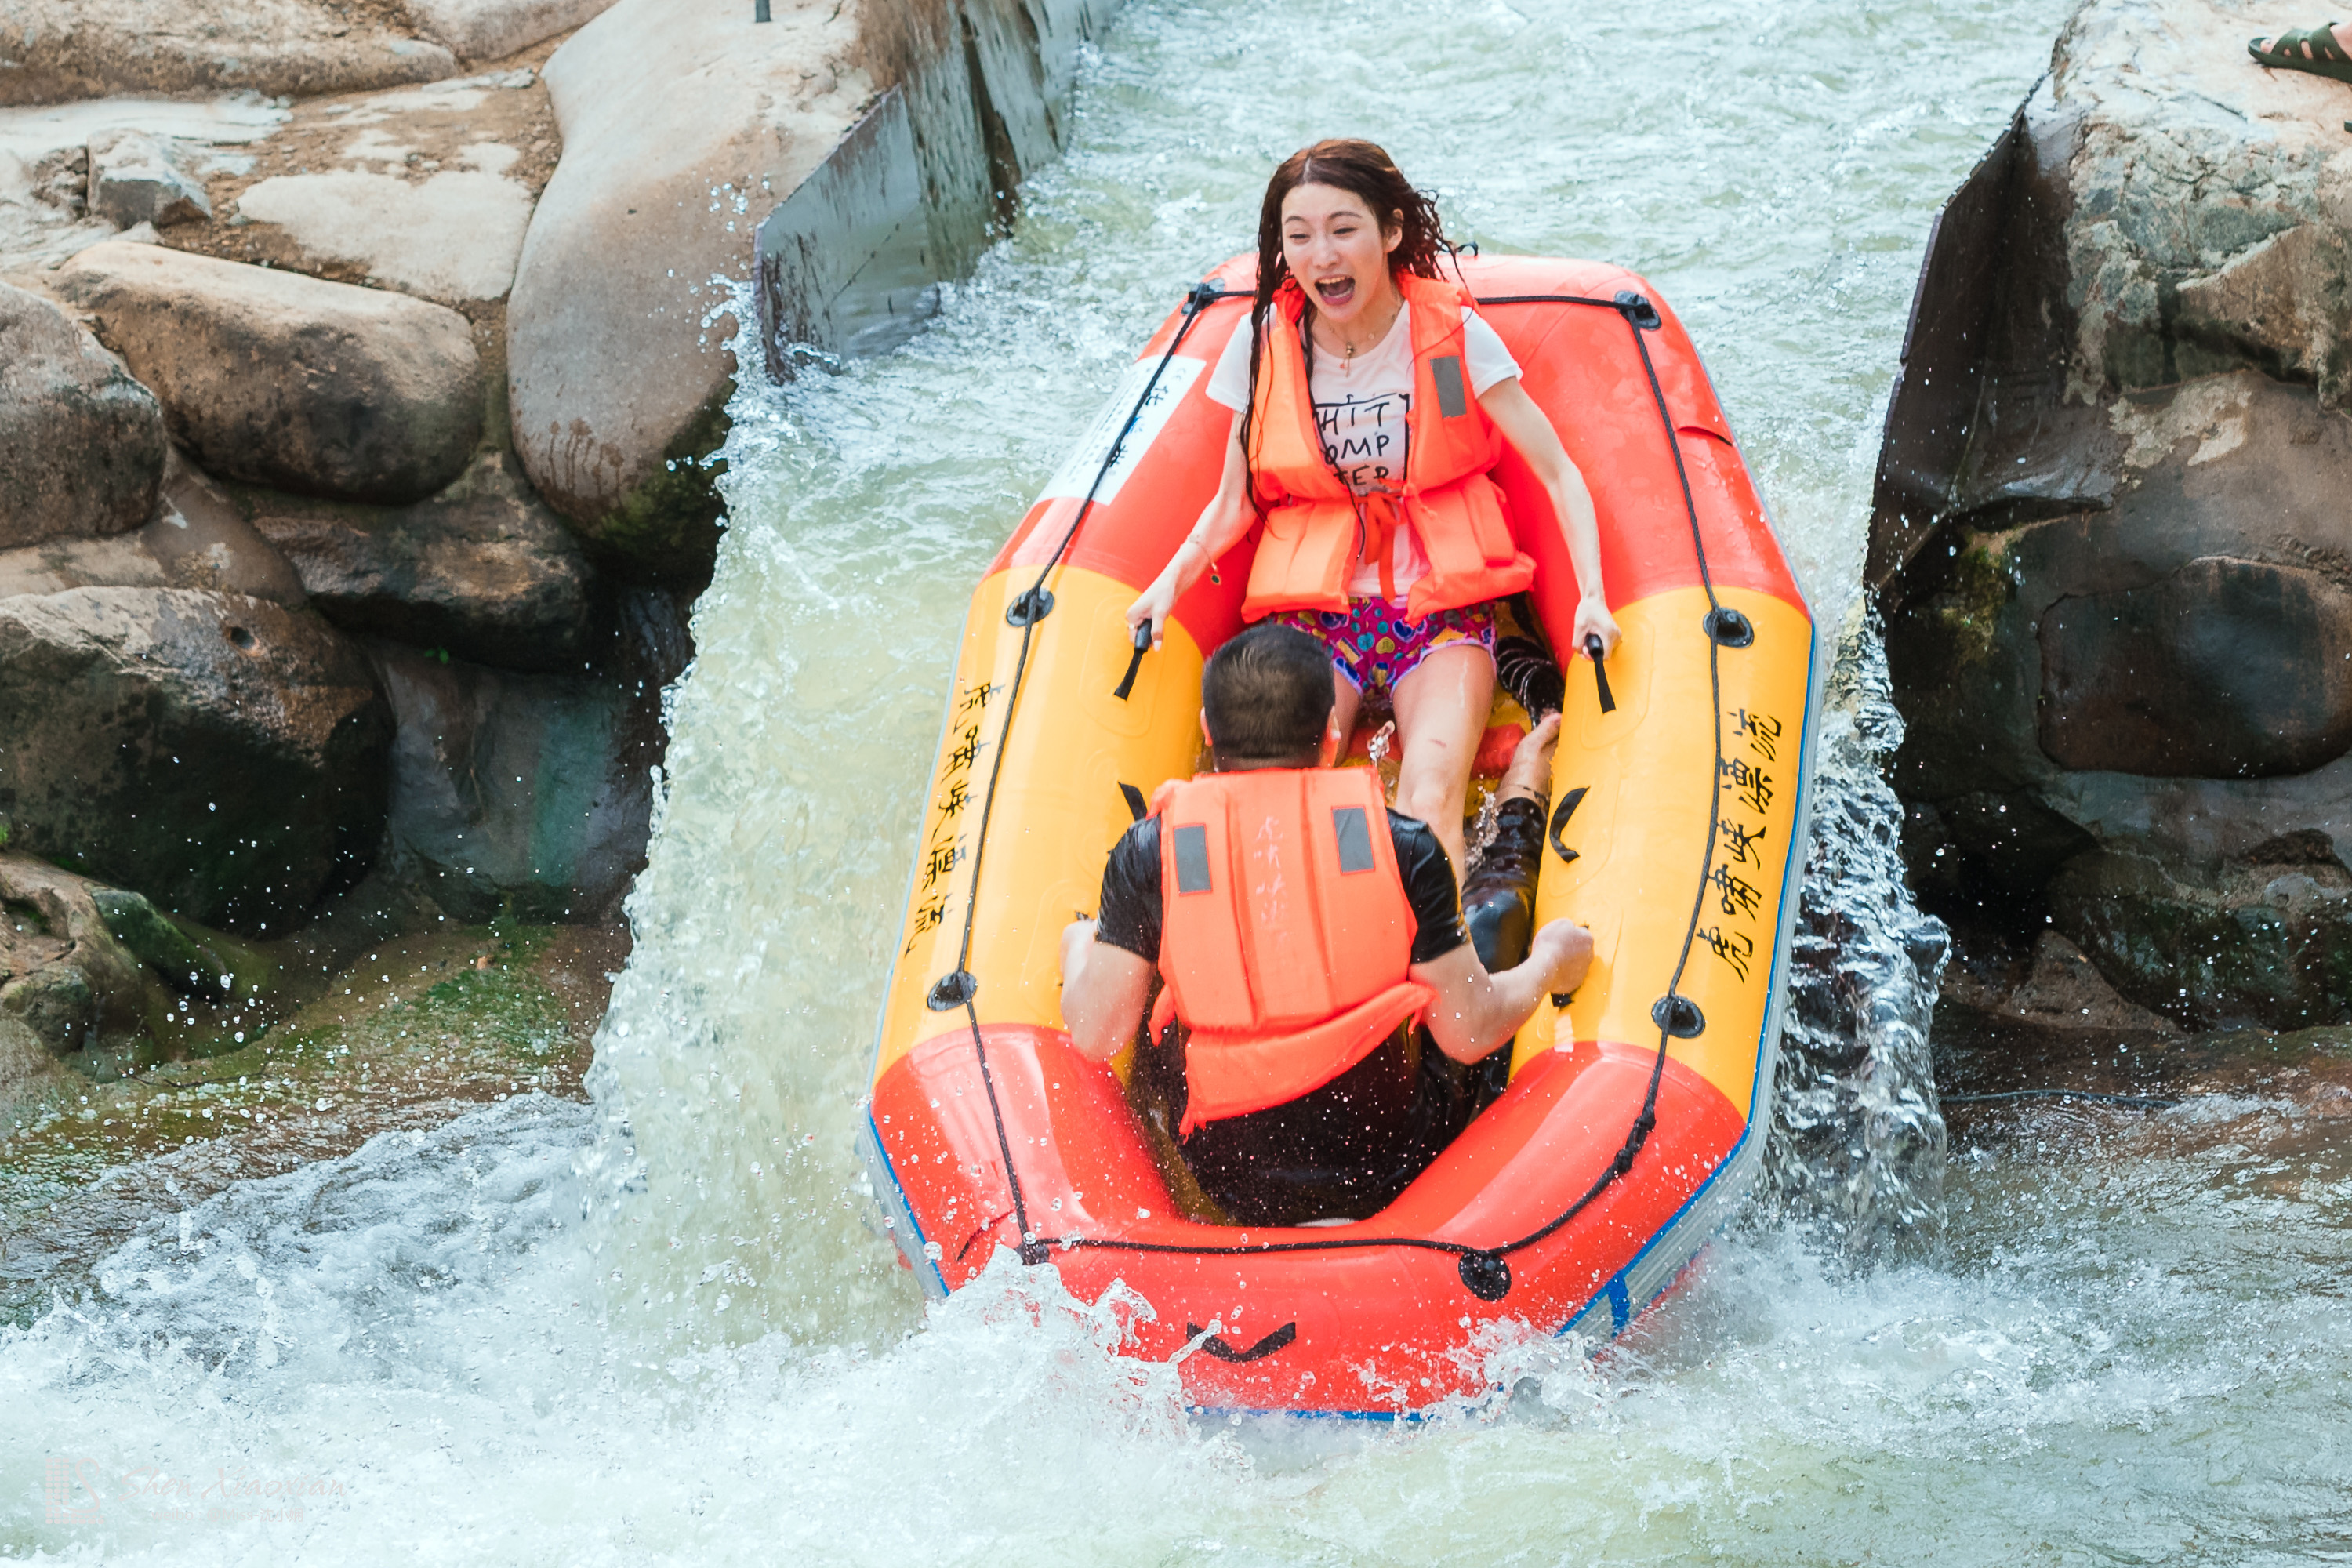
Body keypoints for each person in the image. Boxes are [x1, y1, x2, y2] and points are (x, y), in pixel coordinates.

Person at [1124, 138, 1621, 885]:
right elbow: (1233, 503)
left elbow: (1558, 471)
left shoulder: (1451, 338)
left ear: (1390, 232)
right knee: (1281, 796)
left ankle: (1440, 989)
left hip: (1438, 611)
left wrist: (1592, 597)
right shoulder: (1265, 348)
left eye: (1342, 229)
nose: (1322, 255)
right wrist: (1168, 584)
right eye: (1299, 237)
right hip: (1319, 615)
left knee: (1427, 802)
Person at [1058, 624, 1593, 1225]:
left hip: (1230, 1175)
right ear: (1332, 736)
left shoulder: (1149, 850)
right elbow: (1469, 1034)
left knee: (1151, 966)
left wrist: (1078, 944)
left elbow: (1098, 1033)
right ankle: (1525, 784)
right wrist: (1549, 960)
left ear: (1209, 734)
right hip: (1392, 1160)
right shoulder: (1403, 845)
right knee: (1490, 922)